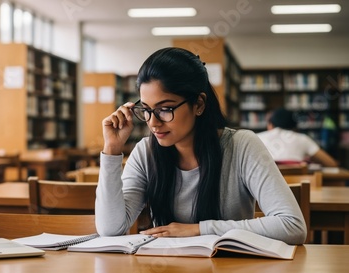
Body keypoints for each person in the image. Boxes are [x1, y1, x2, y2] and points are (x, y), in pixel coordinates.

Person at [95, 47, 306, 245]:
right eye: (147, 109)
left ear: (199, 104)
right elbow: (110, 229)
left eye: (165, 109)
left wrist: (199, 230)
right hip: (166, 265)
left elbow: (292, 226)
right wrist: (112, 150)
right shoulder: (146, 152)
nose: (153, 122)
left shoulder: (242, 146)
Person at [256, 108, 338, 167]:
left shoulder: (257, 138)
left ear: (270, 125)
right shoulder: (303, 139)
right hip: (298, 188)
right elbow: (331, 163)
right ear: (294, 127)